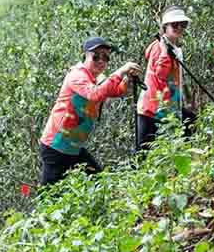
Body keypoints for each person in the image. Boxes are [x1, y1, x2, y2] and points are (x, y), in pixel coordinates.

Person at [39, 37, 141, 185]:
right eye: (96, 56)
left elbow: (116, 91)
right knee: (48, 197)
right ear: (86, 55)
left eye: (105, 58)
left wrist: (126, 79)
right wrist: (120, 71)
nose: (101, 61)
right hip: (56, 146)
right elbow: (95, 94)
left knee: (99, 182)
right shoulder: (77, 75)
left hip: (74, 147)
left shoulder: (95, 78)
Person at [136, 6, 196, 152]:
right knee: (143, 153)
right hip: (152, 109)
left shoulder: (175, 48)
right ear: (165, 27)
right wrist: (163, 51)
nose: (179, 28)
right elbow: (161, 74)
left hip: (169, 107)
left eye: (183, 24)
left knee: (189, 124)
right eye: (175, 24)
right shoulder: (158, 47)